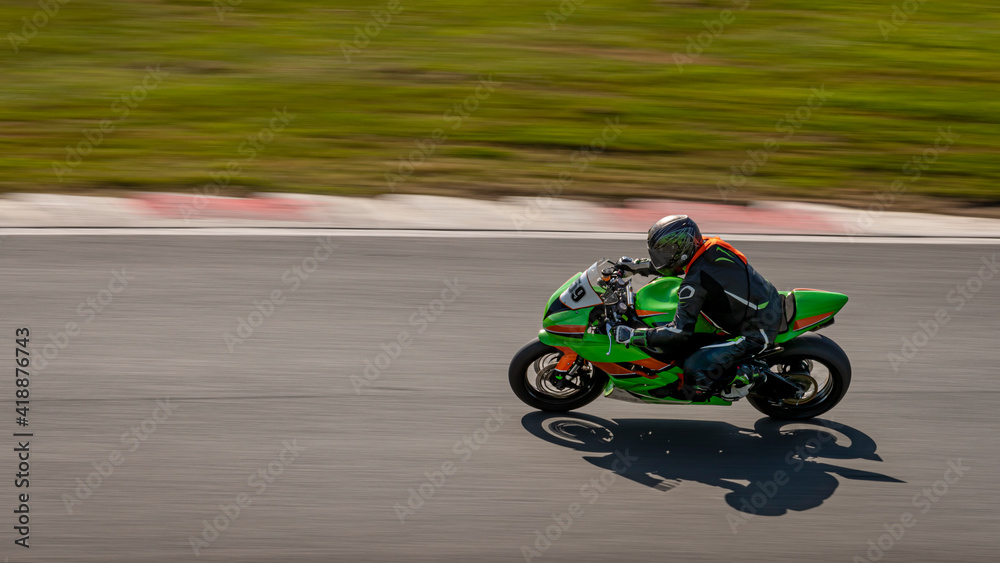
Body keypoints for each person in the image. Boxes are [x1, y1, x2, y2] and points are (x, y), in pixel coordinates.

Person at [612, 215, 782, 401]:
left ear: (683, 248)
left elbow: (678, 332)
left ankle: (751, 376)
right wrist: (636, 266)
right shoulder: (707, 247)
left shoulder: (694, 284)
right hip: (762, 302)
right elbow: (673, 265)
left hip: (757, 330)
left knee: (695, 367)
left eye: (666, 252)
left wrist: (633, 335)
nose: (661, 257)